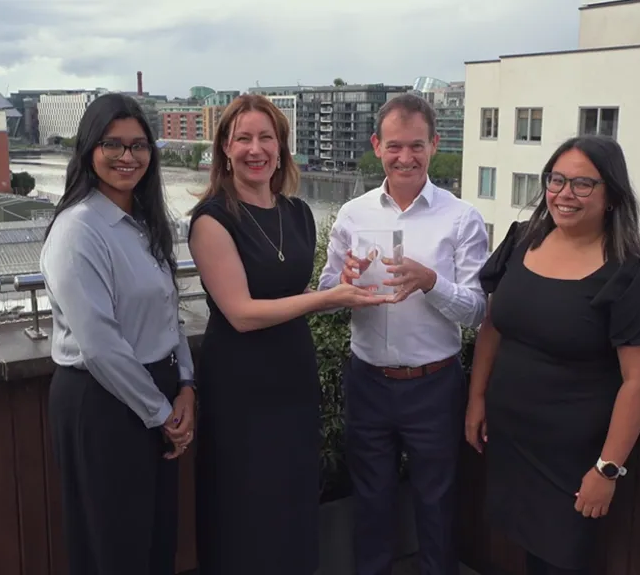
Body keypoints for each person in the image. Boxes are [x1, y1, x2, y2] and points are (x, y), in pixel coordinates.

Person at [188, 94, 389, 575]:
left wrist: (341, 284)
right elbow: (241, 313)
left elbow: (288, 290)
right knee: (245, 506)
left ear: (281, 147)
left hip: (292, 376)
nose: (255, 149)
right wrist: (327, 299)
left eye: (266, 137)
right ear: (225, 149)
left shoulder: (297, 212)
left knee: (292, 500)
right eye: (243, 138)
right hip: (240, 384)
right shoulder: (212, 220)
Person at [465, 135, 640, 575]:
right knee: (526, 555)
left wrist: (607, 469)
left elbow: (639, 381)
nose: (564, 193)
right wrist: (477, 398)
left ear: (612, 196)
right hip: (512, 441)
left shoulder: (631, 273)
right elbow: (493, 326)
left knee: (560, 561)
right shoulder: (522, 241)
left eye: (583, 184)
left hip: (573, 460)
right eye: (556, 179)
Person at [319, 93, 490, 575]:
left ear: (434, 145)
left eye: (417, 146)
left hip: (434, 383)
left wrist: (431, 283)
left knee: (437, 504)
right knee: (370, 502)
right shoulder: (353, 215)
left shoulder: (461, 218)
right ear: (377, 146)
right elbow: (327, 291)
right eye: (395, 146)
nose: (405, 157)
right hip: (367, 379)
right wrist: (346, 283)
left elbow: (479, 311)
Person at [40, 93, 196, 575]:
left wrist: (186, 384)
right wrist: (161, 413)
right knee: (115, 548)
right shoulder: (78, 230)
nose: (128, 157)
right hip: (105, 404)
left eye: (139, 145)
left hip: (157, 396)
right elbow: (101, 345)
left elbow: (169, 311)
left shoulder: (144, 224)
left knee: (154, 544)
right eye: (114, 144)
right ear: (89, 148)